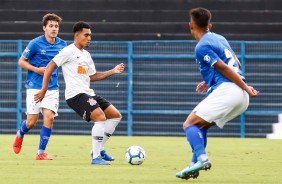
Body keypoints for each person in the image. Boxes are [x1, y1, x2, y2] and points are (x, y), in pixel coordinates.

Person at [176, 7, 259, 180]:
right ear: (210, 25)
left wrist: (246, 87)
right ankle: (194, 164)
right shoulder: (219, 38)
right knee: (200, 125)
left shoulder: (201, 46)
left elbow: (223, 67)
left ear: (190, 25)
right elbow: (236, 64)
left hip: (230, 90)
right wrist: (209, 81)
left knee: (189, 124)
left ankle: (202, 159)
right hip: (238, 95)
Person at [34, 21, 124, 165]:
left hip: (88, 93)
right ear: (77, 36)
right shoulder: (68, 51)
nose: (89, 38)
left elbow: (92, 77)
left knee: (115, 115)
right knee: (100, 117)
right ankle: (96, 158)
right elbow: (51, 66)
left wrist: (112, 71)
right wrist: (44, 89)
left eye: (90, 35)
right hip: (75, 95)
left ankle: (98, 150)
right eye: (86, 35)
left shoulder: (86, 55)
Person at [13, 13, 67, 160]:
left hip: (52, 87)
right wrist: (37, 70)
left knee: (49, 117)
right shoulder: (35, 43)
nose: (54, 29)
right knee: (31, 122)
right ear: (44, 28)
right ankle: (20, 133)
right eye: (51, 26)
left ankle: (40, 153)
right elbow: (21, 61)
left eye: (56, 26)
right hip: (34, 86)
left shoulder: (63, 45)